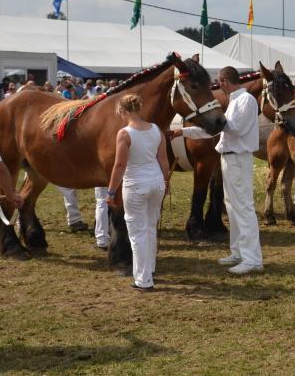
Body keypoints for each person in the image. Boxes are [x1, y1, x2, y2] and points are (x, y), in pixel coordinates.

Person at [171, 66, 263, 274]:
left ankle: (252, 258)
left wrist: (217, 123)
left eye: (219, 81)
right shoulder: (234, 101)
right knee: (232, 207)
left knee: (243, 208)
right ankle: (238, 252)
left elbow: (235, 129)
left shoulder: (245, 100)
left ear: (224, 81)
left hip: (238, 158)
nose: (218, 85)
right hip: (229, 158)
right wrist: (182, 131)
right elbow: (216, 131)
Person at [106, 94, 168, 290]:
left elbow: (119, 165)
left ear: (123, 111)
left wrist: (110, 190)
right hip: (156, 181)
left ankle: (143, 279)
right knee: (150, 228)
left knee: (137, 233)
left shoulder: (124, 133)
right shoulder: (156, 129)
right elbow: (163, 160)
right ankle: (149, 270)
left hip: (136, 184)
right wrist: (166, 181)